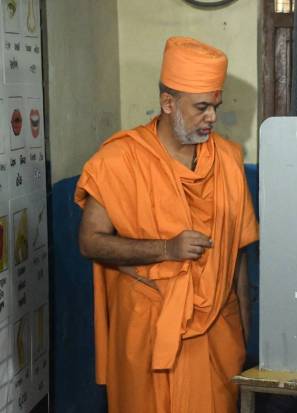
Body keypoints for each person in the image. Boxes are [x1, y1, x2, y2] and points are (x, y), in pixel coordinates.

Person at [75, 36, 258, 413]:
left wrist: (242, 334)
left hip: (215, 337)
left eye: (216, 106)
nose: (212, 118)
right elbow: (90, 242)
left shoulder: (227, 159)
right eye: (202, 107)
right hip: (147, 332)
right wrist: (166, 249)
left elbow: (237, 254)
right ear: (168, 103)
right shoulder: (119, 160)